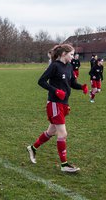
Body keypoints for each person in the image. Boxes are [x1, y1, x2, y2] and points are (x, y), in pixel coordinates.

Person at [26, 44, 88, 173]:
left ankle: (33, 148)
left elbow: (71, 83)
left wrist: (81, 87)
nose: (73, 57)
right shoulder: (54, 66)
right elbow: (41, 81)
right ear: (63, 54)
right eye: (71, 54)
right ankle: (64, 164)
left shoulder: (69, 66)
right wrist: (55, 91)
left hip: (64, 103)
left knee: (51, 132)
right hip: (54, 103)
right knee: (63, 133)